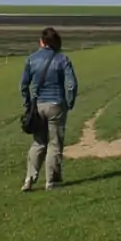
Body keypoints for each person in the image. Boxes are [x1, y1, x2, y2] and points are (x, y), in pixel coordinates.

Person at [20, 27, 79, 191]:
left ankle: (29, 179)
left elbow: (24, 85)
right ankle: (51, 181)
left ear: (41, 42)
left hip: (38, 106)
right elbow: (71, 84)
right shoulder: (62, 59)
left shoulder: (31, 59)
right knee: (55, 143)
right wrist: (70, 101)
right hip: (56, 104)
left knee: (38, 142)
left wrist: (27, 104)